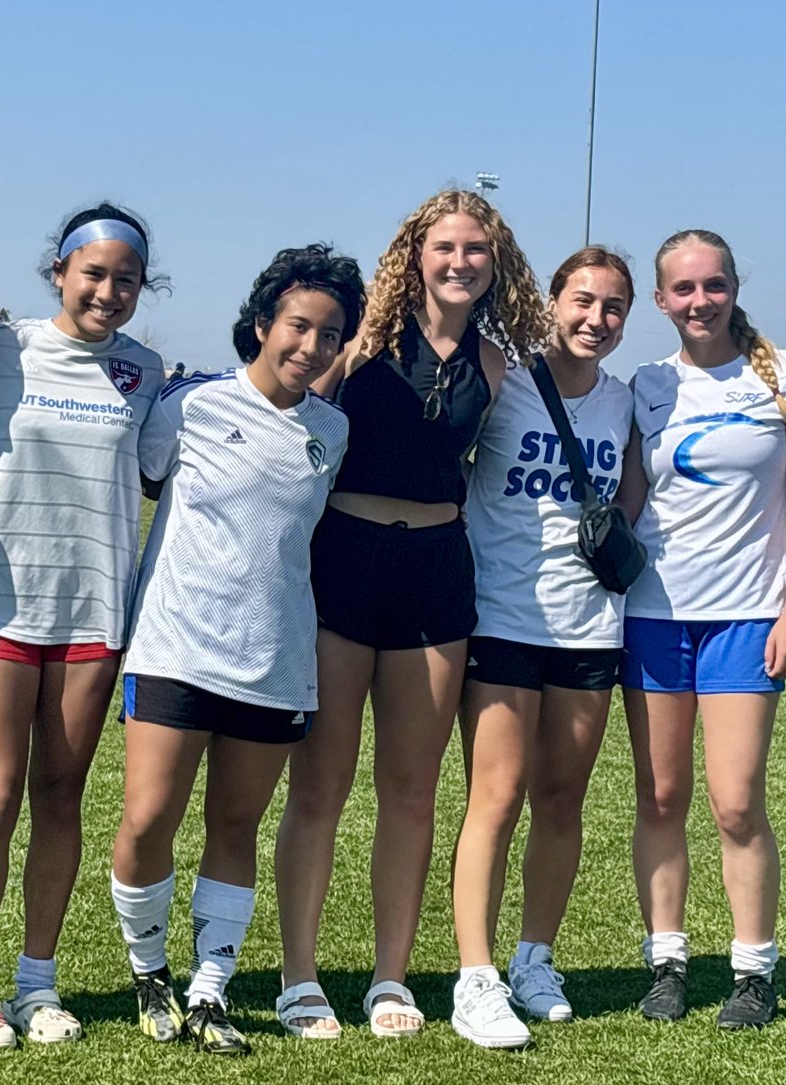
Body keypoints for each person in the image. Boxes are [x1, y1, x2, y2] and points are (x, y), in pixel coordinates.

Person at [274, 189, 551, 1038]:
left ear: (493, 262)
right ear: (415, 254)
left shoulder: (498, 365)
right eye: (445, 247)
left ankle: (390, 976)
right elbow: (288, 419)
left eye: (477, 249)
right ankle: (300, 976)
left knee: (410, 788)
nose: (460, 261)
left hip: (438, 572)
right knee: (320, 783)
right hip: (343, 562)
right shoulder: (357, 341)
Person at [110, 244, 364, 1055]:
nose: (311, 346)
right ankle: (148, 970)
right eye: (298, 325)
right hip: (176, 648)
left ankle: (209, 989)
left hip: (275, 660)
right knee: (149, 818)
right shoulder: (189, 407)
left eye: (330, 334)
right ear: (262, 324)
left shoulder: (333, 429)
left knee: (235, 824)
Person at [0, 203, 169, 1050]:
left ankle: (38, 982)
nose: (109, 292)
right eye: (95, 273)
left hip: (94, 614)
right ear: (60, 272)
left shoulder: (144, 371)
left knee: (61, 798)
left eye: (127, 280)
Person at [618, 229, 786, 1029]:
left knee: (736, 802)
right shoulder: (646, 384)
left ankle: (753, 970)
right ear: (663, 300)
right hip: (653, 614)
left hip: (747, 616)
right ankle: (667, 960)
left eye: (713, 285)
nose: (699, 301)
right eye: (683, 289)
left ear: (735, 286)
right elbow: (633, 503)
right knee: (661, 794)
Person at [448, 247, 635, 1048]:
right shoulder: (504, 381)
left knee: (562, 798)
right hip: (502, 617)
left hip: (590, 624)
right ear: (553, 301)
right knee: (496, 794)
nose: (597, 319)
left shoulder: (625, 402)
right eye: (583, 300)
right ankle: (476, 976)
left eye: (615, 307)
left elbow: (631, 493)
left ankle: (535, 958)